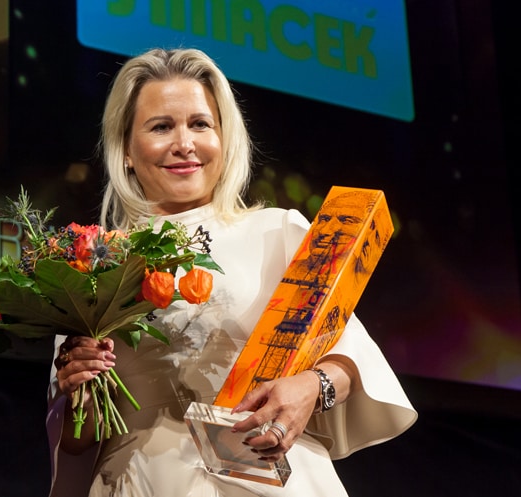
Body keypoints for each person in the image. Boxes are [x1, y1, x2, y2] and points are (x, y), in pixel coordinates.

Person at [46, 47, 417, 497]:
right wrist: (78, 390)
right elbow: (76, 439)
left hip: (272, 474)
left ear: (225, 138)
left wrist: (310, 387)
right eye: (161, 127)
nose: (184, 143)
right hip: (142, 482)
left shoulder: (278, 230)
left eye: (200, 124)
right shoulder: (92, 264)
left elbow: (350, 354)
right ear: (125, 149)